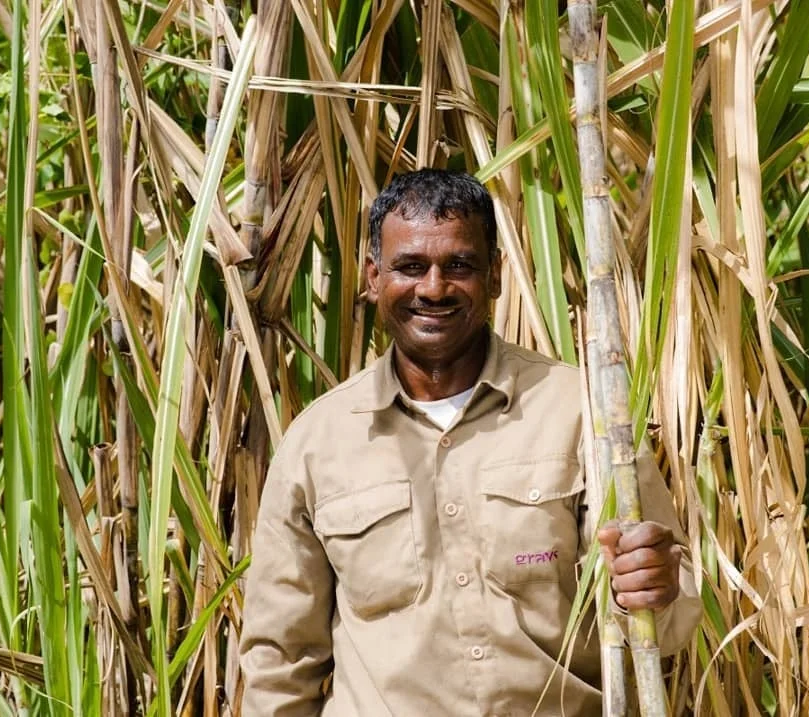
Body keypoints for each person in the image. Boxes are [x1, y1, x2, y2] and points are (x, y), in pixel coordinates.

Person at [239, 169, 700, 716]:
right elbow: (280, 660)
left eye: (458, 265)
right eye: (410, 267)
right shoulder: (317, 443)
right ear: (372, 277)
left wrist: (656, 586)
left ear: (496, 276)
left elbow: (667, 618)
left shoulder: (582, 415)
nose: (433, 288)